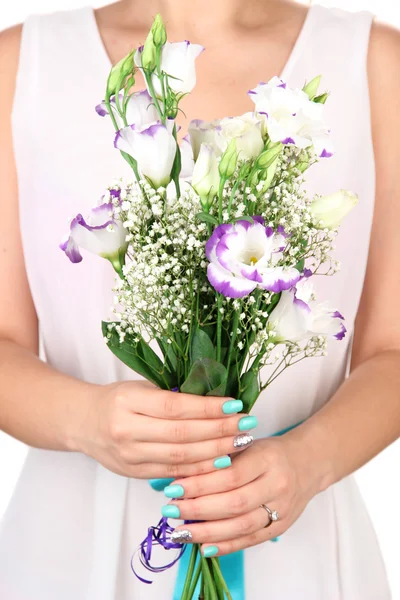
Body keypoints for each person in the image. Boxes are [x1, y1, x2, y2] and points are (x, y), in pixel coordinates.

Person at [0, 0, 399, 598]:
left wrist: (309, 461)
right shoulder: (20, 65)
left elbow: (391, 352)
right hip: (72, 548)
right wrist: (86, 421)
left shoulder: (375, 64)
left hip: (295, 541)